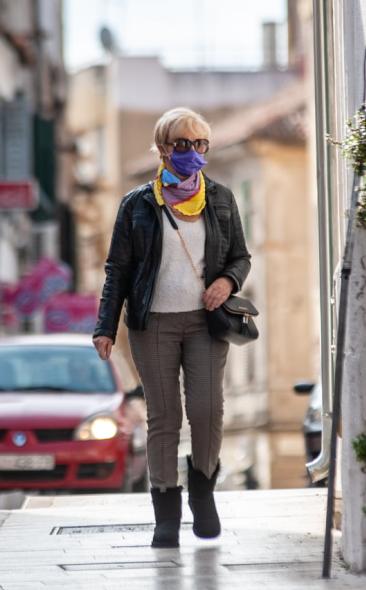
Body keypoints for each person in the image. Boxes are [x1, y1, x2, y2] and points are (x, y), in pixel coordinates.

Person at [92, 107, 251, 549]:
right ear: (163, 148)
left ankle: (202, 490)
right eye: (184, 144)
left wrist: (226, 281)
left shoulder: (219, 198)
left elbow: (241, 257)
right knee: (164, 419)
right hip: (152, 324)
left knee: (206, 411)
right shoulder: (137, 203)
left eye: (201, 144)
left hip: (206, 323)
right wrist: (105, 326)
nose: (194, 152)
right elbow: (117, 270)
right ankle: (165, 512)